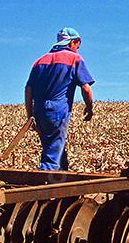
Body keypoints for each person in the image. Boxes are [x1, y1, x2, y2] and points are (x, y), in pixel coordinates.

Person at [24, 27, 95, 171]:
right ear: (72, 43)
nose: (78, 49)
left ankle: (63, 181)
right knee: (52, 155)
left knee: (52, 147)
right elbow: (86, 88)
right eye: (77, 45)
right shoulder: (74, 59)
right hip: (57, 110)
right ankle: (44, 186)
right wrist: (89, 107)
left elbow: (28, 89)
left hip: (39, 110)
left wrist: (29, 115)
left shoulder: (40, 61)